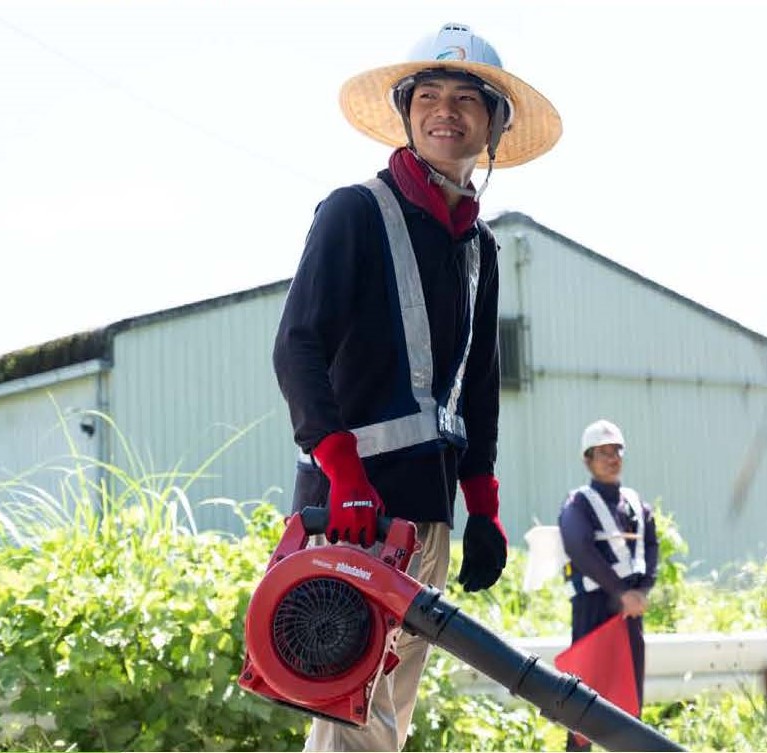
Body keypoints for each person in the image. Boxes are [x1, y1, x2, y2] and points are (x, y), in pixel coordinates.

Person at [271, 21, 561, 752]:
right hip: (352, 510)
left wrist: (483, 509)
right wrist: (344, 478)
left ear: (494, 124)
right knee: (349, 710)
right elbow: (295, 346)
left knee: (384, 712)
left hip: (423, 514)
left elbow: (479, 387)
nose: (445, 111)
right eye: (427, 94)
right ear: (404, 113)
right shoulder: (354, 213)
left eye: (467, 99)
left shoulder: (479, 247)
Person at [558, 419, 659, 752]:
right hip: (593, 609)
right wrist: (622, 592)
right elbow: (579, 548)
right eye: (603, 452)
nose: (612, 458)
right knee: (584, 702)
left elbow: (651, 547)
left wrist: (641, 592)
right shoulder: (578, 503)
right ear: (588, 459)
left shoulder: (635, 503)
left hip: (630, 613)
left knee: (629, 700)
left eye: (617, 451)